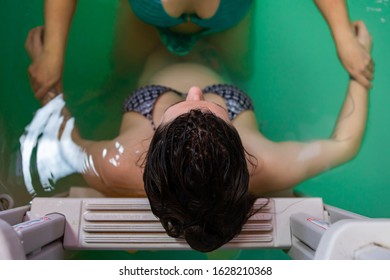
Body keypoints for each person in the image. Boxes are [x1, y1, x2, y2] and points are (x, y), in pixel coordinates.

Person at [24, 20, 373, 252]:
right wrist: (361, 71)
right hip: (219, 59)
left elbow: (64, 141)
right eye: (207, 105)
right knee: (239, 48)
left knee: (125, 55)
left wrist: (45, 86)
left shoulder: (117, 165)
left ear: (151, 145)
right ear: (240, 147)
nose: (193, 91)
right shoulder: (266, 163)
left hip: (150, 57)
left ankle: (119, 80)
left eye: (187, 103)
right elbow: (345, 144)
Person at [27, 0, 374, 101]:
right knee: (122, 71)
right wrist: (53, 50)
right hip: (145, 19)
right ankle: (112, 92)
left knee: (241, 74)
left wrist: (343, 36)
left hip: (227, 21)